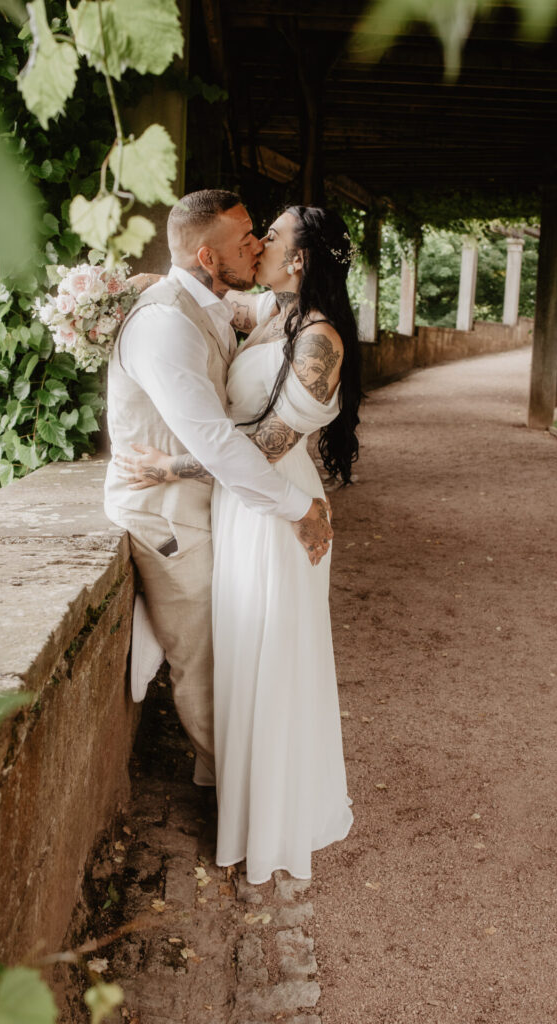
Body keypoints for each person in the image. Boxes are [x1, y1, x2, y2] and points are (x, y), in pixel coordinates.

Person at [117, 204, 361, 884]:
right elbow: (197, 298)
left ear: (301, 259)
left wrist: (172, 468)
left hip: (279, 513)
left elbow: (266, 443)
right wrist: (137, 287)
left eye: (270, 236)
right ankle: (247, 802)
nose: (258, 245)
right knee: (242, 650)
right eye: (254, 236)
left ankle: (277, 823)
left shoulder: (318, 340)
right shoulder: (268, 313)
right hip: (240, 506)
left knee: (272, 654)